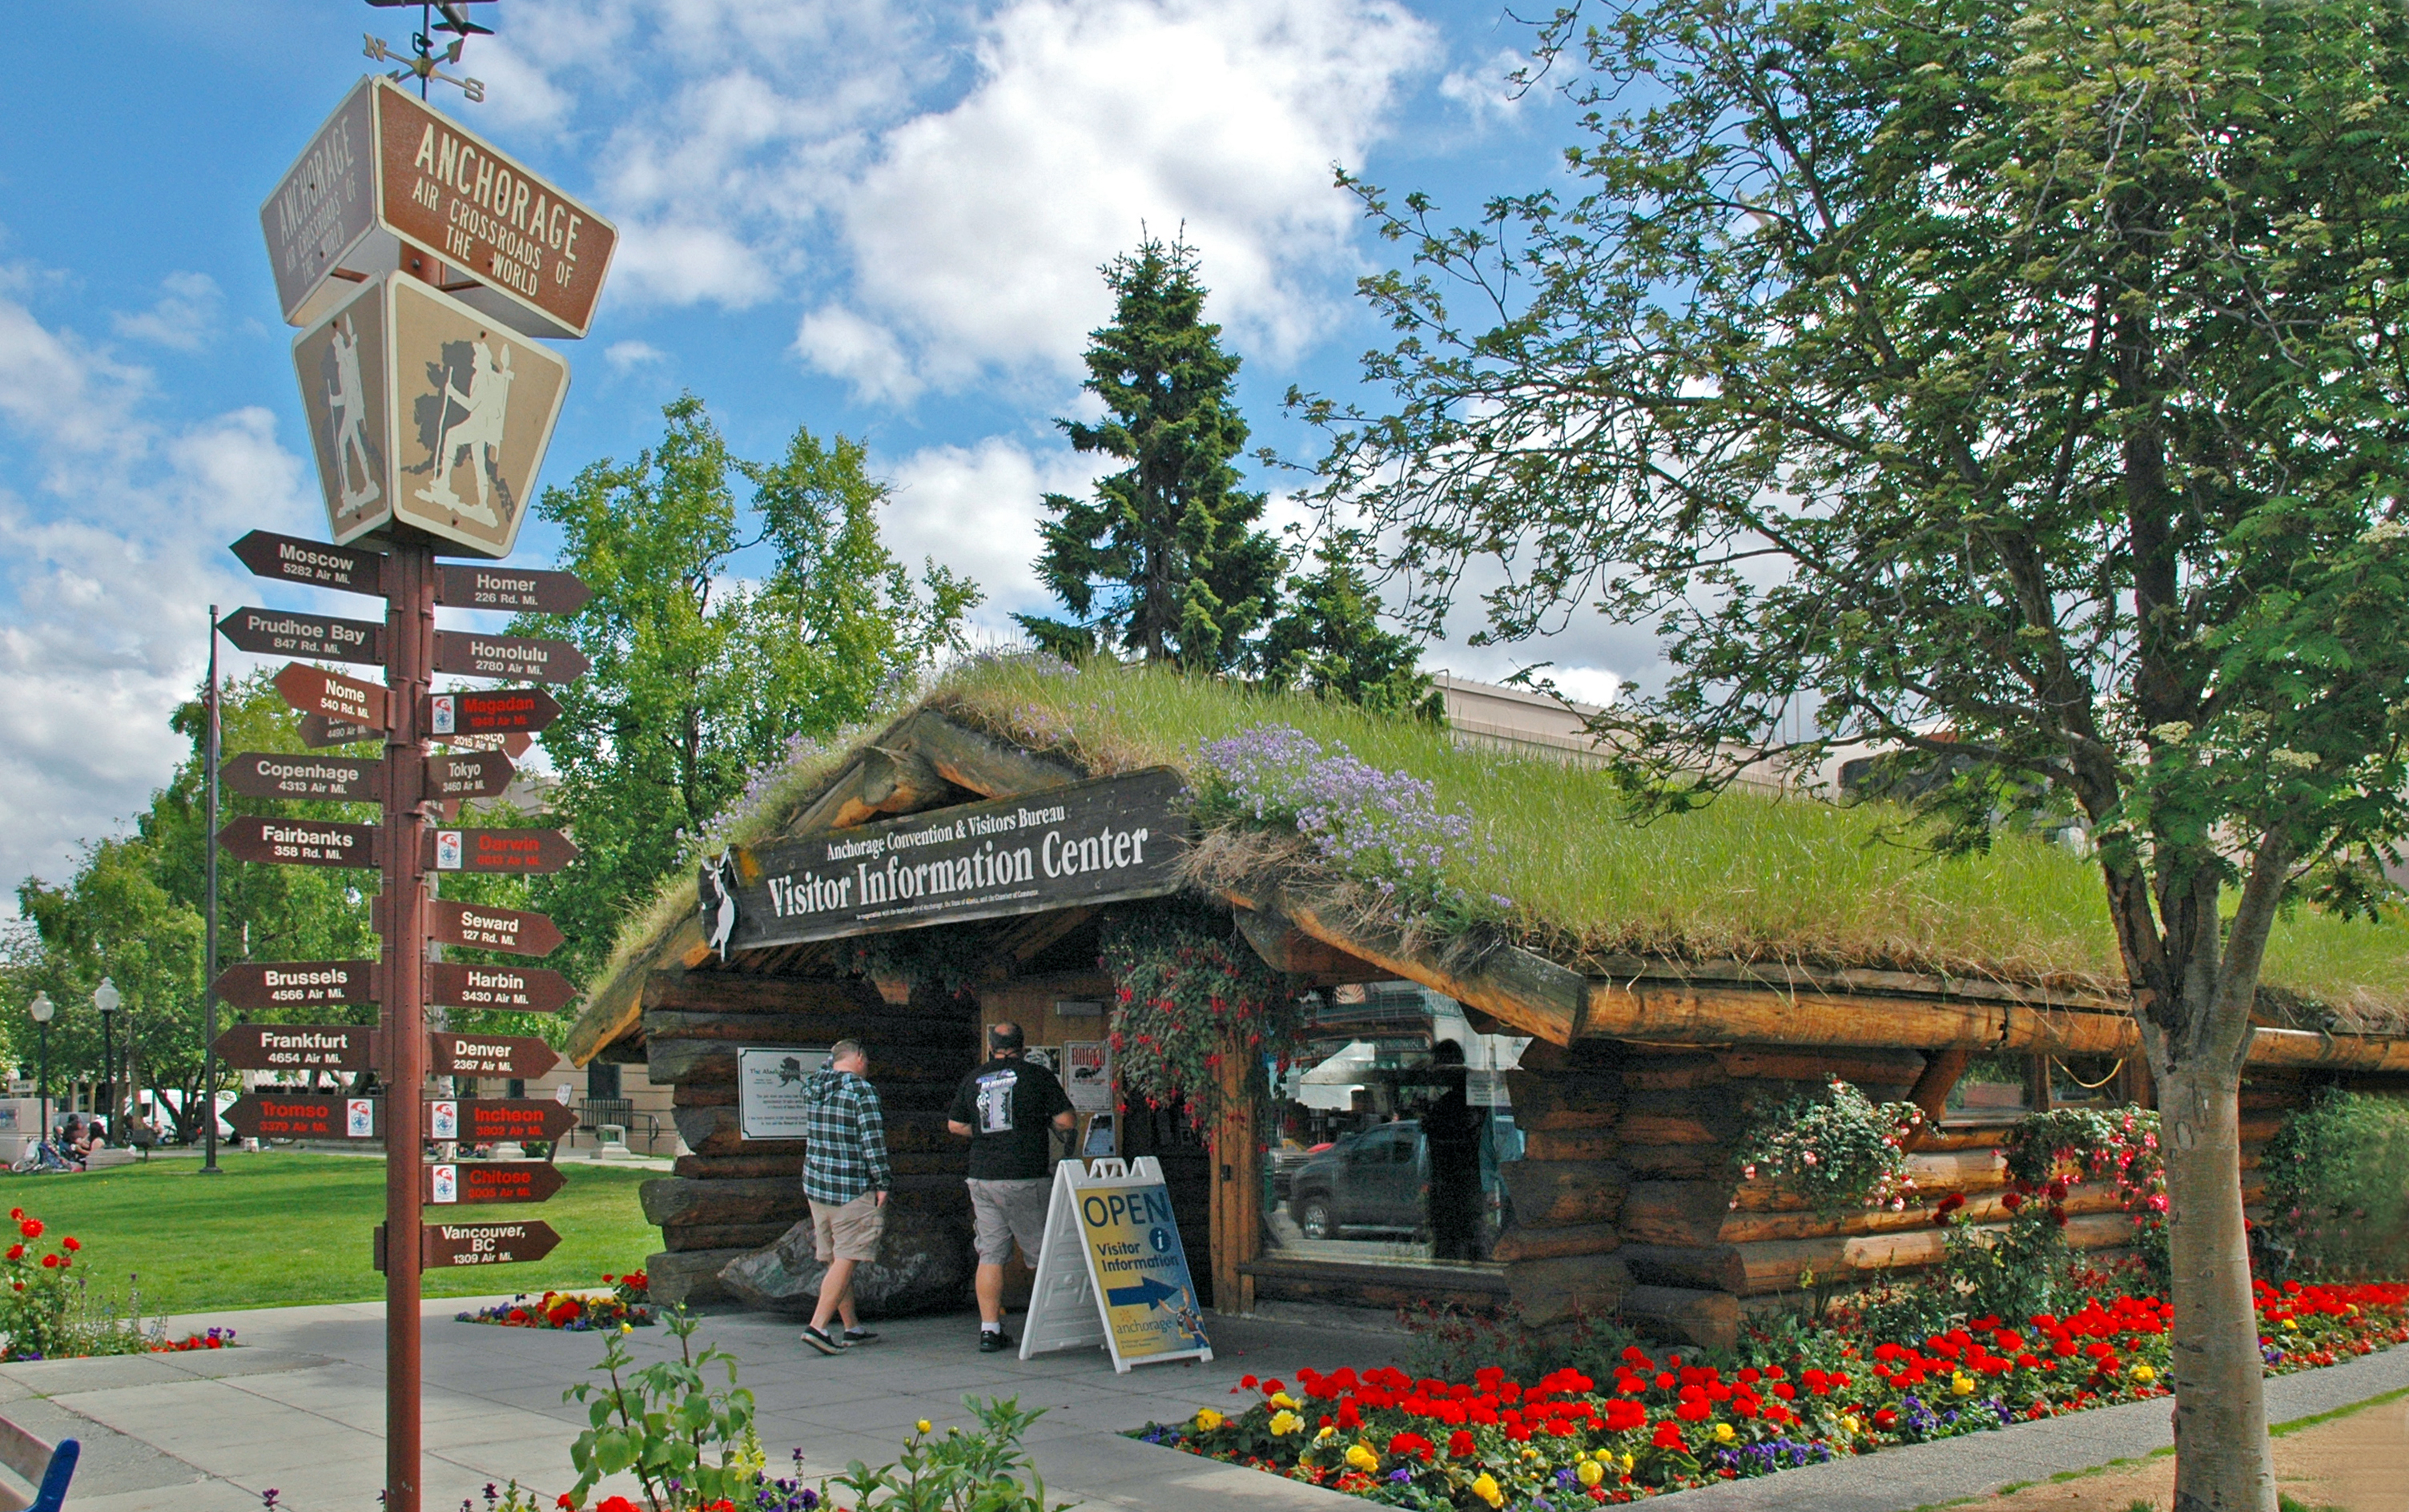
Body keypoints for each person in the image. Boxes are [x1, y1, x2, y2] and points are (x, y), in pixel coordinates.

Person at [947, 1021, 1074, 1353]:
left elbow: (955, 1124)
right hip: (1024, 1176)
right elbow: (1066, 1121)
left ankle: (990, 1330)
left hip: (983, 1177)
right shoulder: (1037, 1076)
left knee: (990, 1253)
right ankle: (1052, 1324)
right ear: (1023, 1046)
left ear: (991, 1047)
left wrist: (988, 1133)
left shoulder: (975, 1077)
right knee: (1043, 1254)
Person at [798, 1040, 891, 1355]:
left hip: (817, 1185)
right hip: (851, 1186)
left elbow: (829, 1068)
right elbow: (872, 1140)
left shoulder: (814, 1087)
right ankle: (818, 1326)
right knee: (849, 1256)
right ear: (860, 1057)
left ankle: (852, 1327)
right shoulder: (861, 1092)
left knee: (837, 1259)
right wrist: (882, 1181)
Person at [1422, 1040, 1485, 1262]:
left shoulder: (1454, 1101)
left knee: (1453, 1241)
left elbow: (1436, 1130)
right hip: (1467, 1180)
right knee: (1469, 1238)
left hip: (1455, 1180)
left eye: (1438, 1064)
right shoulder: (1474, 1094)